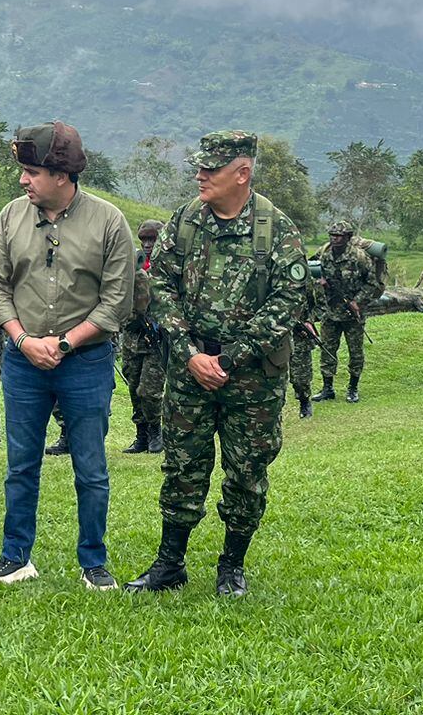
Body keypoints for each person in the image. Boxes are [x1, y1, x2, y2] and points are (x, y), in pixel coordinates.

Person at [126, 131, 307, 598]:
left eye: (211, 168)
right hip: (189, 370)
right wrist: (189, 353)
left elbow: (287, 302)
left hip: (252, 378)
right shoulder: (185, 220)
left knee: (248, 470)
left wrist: (228, 358)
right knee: (183, 465)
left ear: (242, 173)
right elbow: (158, 286)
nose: (200, 175)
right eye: (200, 167)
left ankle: (232, 566)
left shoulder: (277, 228)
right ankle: (170, 564)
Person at [0, 121, 133, 591]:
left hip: (85, 362)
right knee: (21, 463)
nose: (23, 181)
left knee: (91, 465)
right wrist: (24, 340)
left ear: (61, 175)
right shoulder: (10, 217)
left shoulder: (108, 222)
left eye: (31, 172)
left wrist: (65, 343)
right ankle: (15, 556)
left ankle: (93, 562)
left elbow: (116, 301)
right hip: (22, 361)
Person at [315, 220, 385, 403]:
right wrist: (319, 280)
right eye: (332, 235)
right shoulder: (324, 253)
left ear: (348, 237)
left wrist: (357, 302)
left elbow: (371, 283)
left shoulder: (359, 257)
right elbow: (311, 268)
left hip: (352, 313)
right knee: (327, 350)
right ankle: (327, 388)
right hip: (330, 311)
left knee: (355, 352)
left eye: (339, 236)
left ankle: (353, 388)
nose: (335, 239)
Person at [120, 219, 167, 454]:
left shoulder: (167, 267)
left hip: (155, 339)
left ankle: (156, 432)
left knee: (149, 390)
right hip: (131, 336)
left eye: (152, 239)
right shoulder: (132, 265)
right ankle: (141, 436)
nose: (148, 244)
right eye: (144, 239)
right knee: (133, 386)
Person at [288, 268, 324, 419]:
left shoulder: (303, 276)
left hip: (299, 335)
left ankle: (304, 402)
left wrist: (309, 321)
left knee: (300, 376)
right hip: (274, 331)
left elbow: (317, 305)